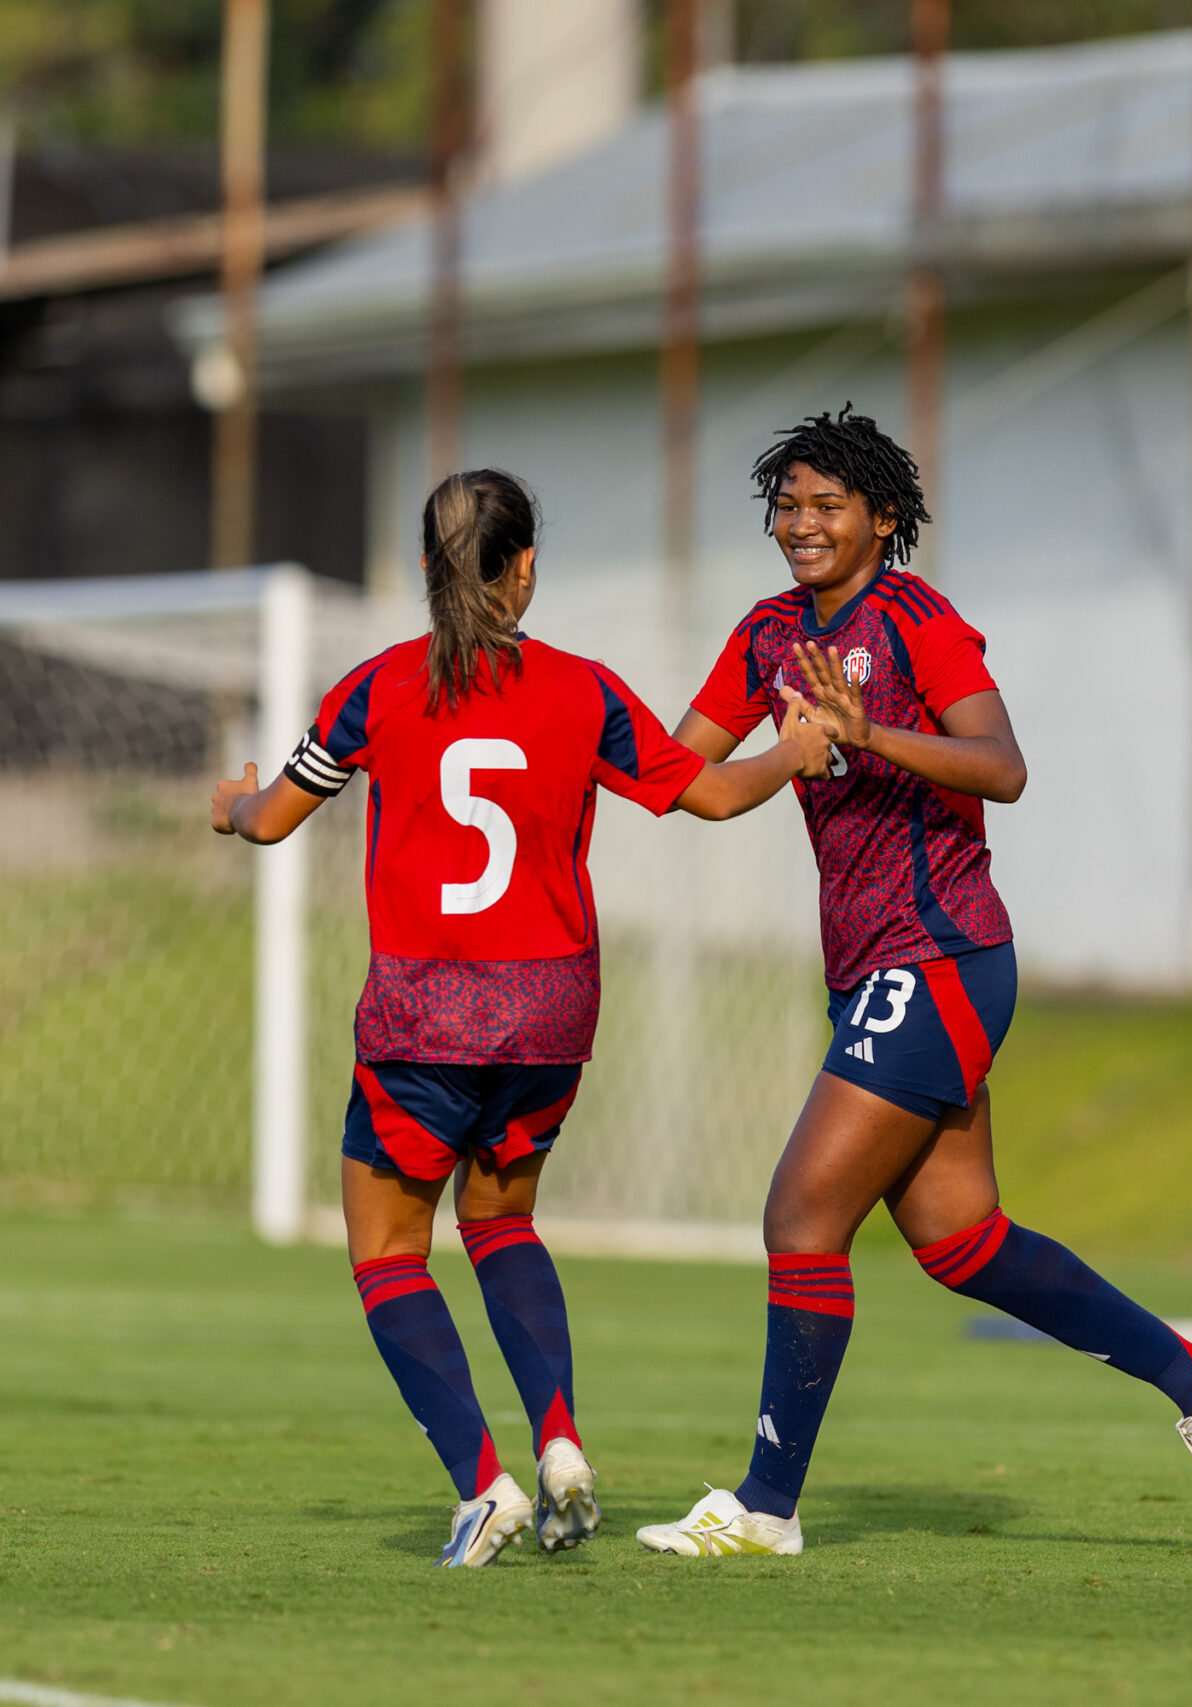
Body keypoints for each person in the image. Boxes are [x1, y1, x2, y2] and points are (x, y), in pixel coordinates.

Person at [630, 405, 1192, 1560]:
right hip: (867, 969)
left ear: (881, 518)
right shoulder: (766, 633)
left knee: (801, 1217)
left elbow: (1002, 768)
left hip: (941, 955)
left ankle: (765, 1508)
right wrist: (579, 726)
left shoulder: (916, 620)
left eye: (828, 506)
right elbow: (687, 772)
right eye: (787, 505)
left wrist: (868, 734)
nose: (802, 524)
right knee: (960, 1239)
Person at [211, 468, 832, 1568]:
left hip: (424, 1008)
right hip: (549, 1009)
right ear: (527, 569)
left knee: (388, 1250)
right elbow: (710, 793)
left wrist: (232, 805)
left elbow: (271, 822)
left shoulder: (376, 689)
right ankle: (559, 1442)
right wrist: (794, 748)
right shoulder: (583, 692)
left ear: (424, 571)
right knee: (501, 1224)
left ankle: (481, 1484)